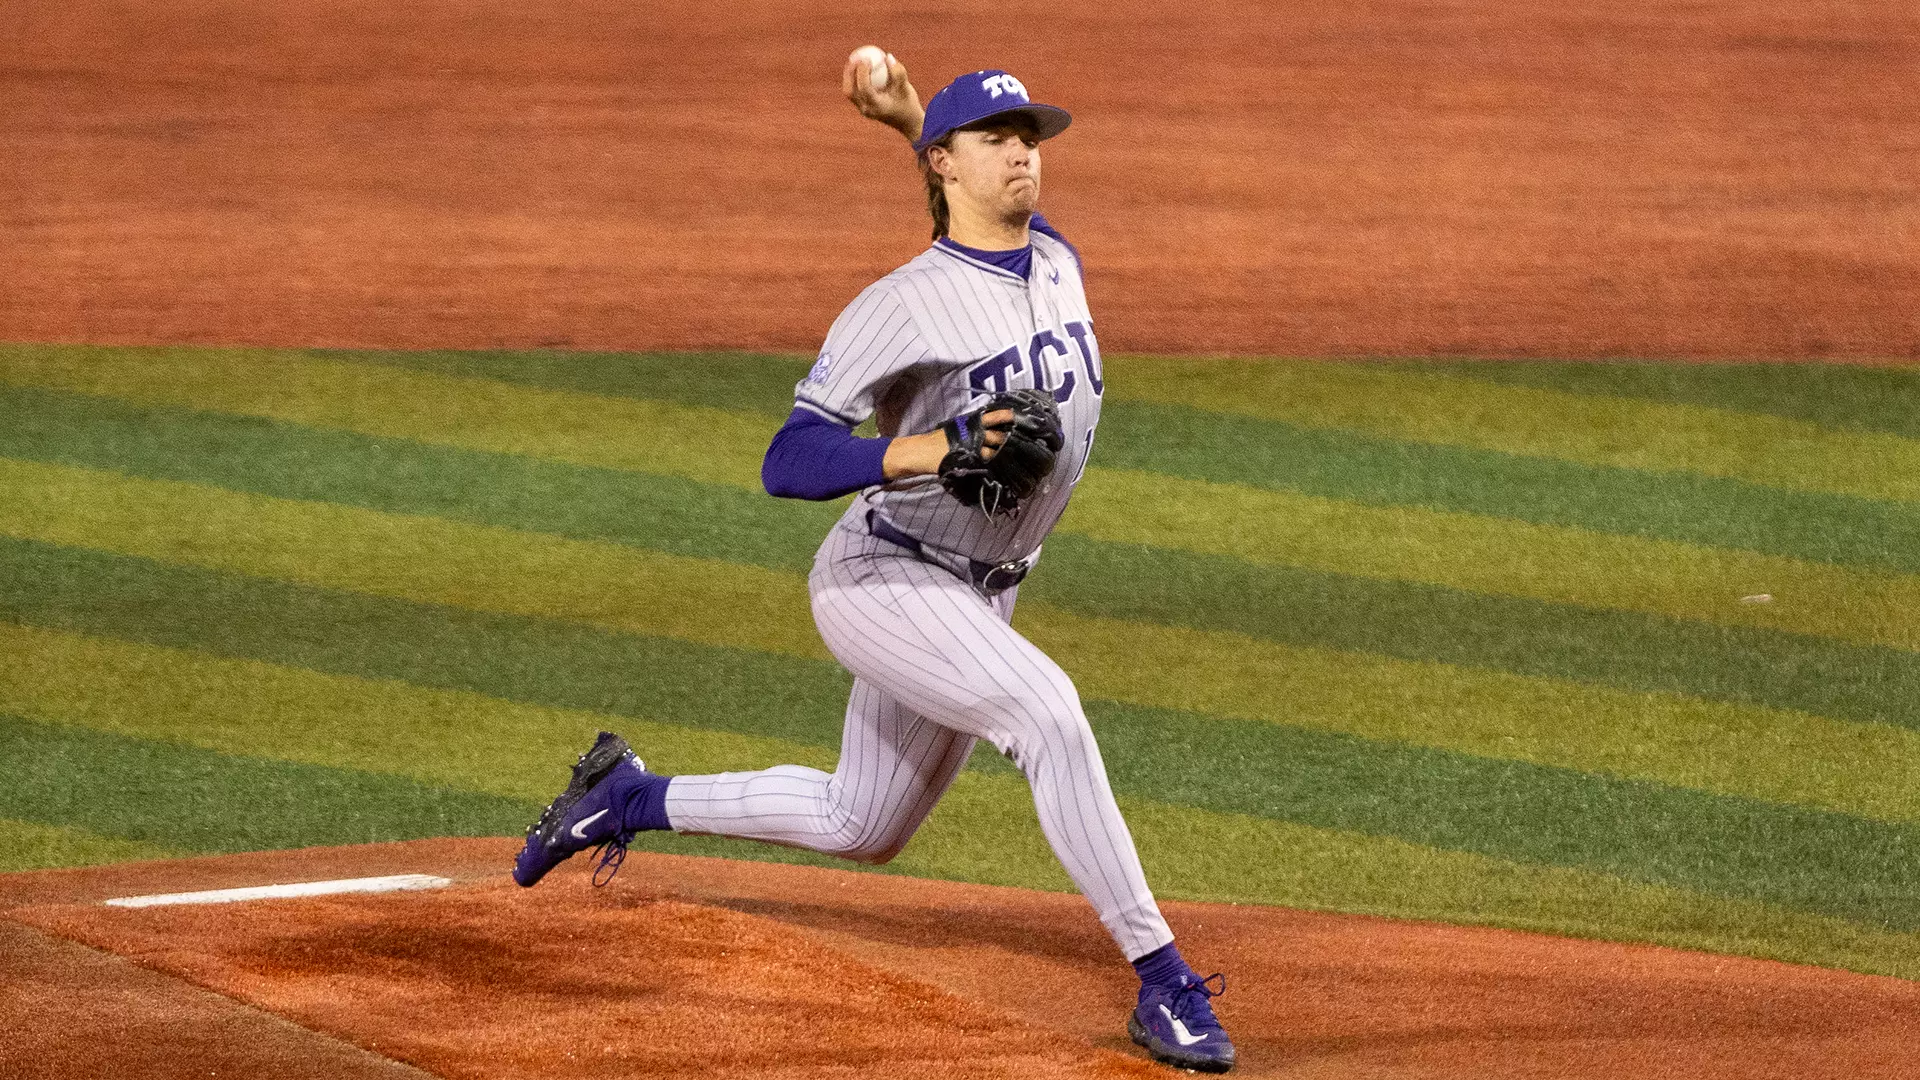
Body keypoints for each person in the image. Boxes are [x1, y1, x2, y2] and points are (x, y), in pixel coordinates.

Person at [511, 52, 1237, 1074]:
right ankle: (1165, 983)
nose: (1023, 153)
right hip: (888, 576)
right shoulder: (899, 305)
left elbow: (971, 211)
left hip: (988, 592)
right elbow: (787, 458)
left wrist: (911, 120)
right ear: (949, 163)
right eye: (997, 139)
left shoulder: (1056, 260)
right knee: (1046, 715)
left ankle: (624, 795)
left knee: (864, 822)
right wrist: (924, 450)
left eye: (1030, 135)